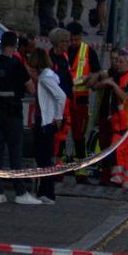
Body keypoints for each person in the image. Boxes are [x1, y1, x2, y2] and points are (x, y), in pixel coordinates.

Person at [0, 31, 41, 204]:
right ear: (15, 45)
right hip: (11, 113)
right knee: (15, 153)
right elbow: (31, 89)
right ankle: (19, 192)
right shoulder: (16, 65)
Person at [91, 49, 128, 188]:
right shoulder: (119, 75)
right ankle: (127, 181)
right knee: (123, 151)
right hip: (118, 120)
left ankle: (118, 177)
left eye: (120, 62)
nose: (117, 64)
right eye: (116, 61)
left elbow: (126, 99)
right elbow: (95, 86)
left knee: (116, 148)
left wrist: (113, 85)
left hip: (127, 122)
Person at [28, 48, 66, 204]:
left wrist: (58, 116)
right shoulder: (47, 76)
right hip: (46, 120)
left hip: (46, 121)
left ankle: (48, 192)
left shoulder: (44, 79)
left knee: (43, 157)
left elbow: (60, 96)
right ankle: (44, 191)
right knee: (44, 157)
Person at [67, 22, 101, 181]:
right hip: (64, 99)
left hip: (80, 99)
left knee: (79, 135)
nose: (73, 43)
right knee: (60, 135)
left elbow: (97, 72)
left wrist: (90, 81)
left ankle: (81, 169)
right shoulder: (62, 49)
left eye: (76, 39)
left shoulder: (88, 51)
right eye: (71, 40)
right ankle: (60, 166)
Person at [86, 49, 122, 185]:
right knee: (104, 146)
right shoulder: (109, 73)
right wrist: (99, 74)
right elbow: (93, 86)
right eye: (112, 58)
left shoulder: (121, 75)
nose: (114, 62)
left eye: (117, 59)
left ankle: (114, 176)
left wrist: (105, 81)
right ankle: (106, 176)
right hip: (104, 114)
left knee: (114, 148)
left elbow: (97, 85)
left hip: (116, 117)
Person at [48, 27, 74, 158]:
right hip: (55, 102)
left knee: (63, 134)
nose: (68, 44)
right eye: (65, 41)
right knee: (54, 134)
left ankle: (58, 163)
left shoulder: (65, 57)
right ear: (58, 43)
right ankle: (52, 163)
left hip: (65, 101)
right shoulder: (50, 58)